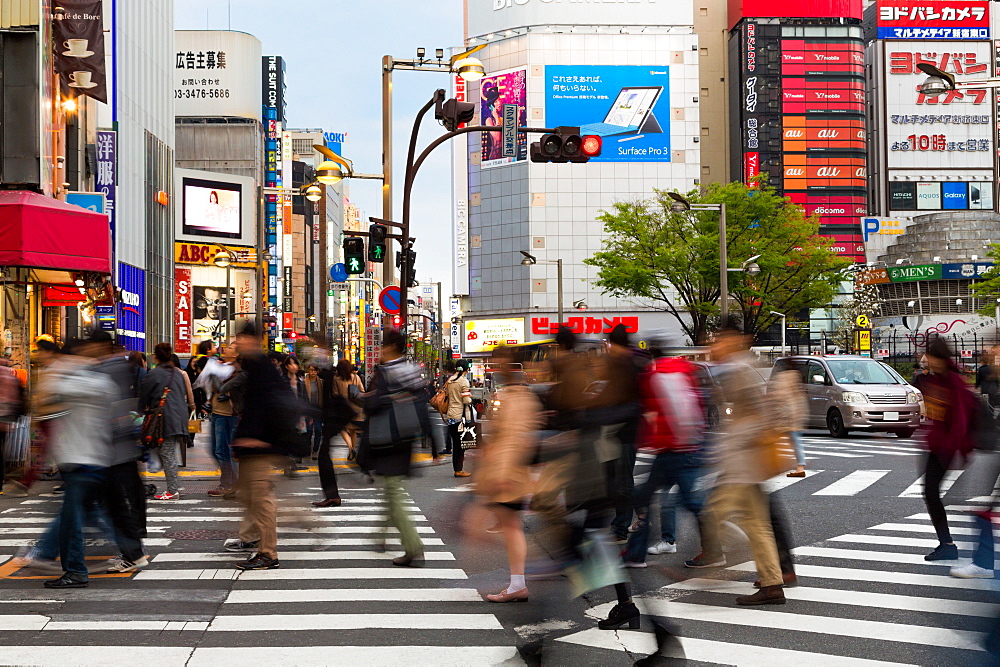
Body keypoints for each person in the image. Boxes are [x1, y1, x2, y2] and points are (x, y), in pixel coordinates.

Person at [695, 324, 785, 605]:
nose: (715, 345)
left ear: (733, 340)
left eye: (719, 339)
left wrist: (731, 446)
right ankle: (772, 584)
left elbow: (758, 415)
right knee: (757, 524)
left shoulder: (740, 370)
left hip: (743, 464)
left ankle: (715, 565)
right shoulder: (742, 368)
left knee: (713, 512)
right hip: (746, 463)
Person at [35, 339, 117, 588]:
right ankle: (130, 549)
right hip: (96, 459)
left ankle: (76, 570)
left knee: (71, 520)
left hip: (79, 460)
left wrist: (60, 368)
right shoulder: (103, 382)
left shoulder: (74, 383)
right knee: (88, 512)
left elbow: (42, 399)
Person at [623, 331, 709, 568]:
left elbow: (667, 410)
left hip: (673, 449)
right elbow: (697, 402)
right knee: (686, 501)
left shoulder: (654, 375)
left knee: (649, 498)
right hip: (689, 446)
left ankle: (637, 553)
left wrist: (648, 441)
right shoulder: (683, 368)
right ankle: (713, 547)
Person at [223, 326, 301, 570]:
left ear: (250, 340)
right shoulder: (253, 365)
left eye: (239, 339)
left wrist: (256, 438)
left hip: (259, 444)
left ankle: (268, 553)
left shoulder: (260, 367)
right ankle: (266, 534)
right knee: (248, 496)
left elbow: (266, 406)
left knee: (261, 499)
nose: (236, 344)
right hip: (252, 443)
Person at [357, 328, 428, 566]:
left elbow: (374, 405)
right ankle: (380, 535)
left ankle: (413, 546)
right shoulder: (412, 371)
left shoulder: (386, 373)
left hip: (387, 441)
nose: (380, 351)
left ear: (390, 348)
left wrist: (364, 398)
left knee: (394, 496)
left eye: (383, 347)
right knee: (391, 491)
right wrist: (434, 444)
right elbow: (423, 407)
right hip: (406, 440)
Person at [477, 346, 542, 602]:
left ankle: (522, 581)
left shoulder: (516, 398)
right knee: (507, 526)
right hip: (510, 471)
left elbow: (514, 440)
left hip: (507, 473)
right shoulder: (519, 395)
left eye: (499, 362)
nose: (496, 366)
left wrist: (500, 473)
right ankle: (520, 581)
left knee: (506, 527)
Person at [88, 331, 149, 573]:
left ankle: (133, 552)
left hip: (111, 448)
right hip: (121, 447)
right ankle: (133, 549)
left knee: (114, 505)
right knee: (120, 502)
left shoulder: (106, 370)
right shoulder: (123, 367)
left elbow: (107, 409)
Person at [921, 336, 976, 561]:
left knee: (931, 493)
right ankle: (946, 543)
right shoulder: (935, 379)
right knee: (931, 493)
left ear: (939, 357)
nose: (927, 360)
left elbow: (961, 420)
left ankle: (947, 544)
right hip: (936, 445)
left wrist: (958, 450)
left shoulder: (954, 382)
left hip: (945, 447)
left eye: (930, 356)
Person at [139, 343, 196, 500]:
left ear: (155, 356)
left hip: (164, 419)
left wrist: (141, 410)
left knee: (167, 453)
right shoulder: (178, 373)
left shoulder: (154, 373)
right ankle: (175, 485)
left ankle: (173, 490)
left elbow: (144, 396)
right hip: (178, 417)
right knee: (168, 452)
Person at [206, 343, 241, 496]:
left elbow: (222, 388)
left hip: (228, 414)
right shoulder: (223, 366)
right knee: (216, 450)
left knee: (224, 451)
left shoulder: (236, 370)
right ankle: (230, 483)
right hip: (218, 412)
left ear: (236, 355)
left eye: (230, 348)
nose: (225, 349)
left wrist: (214, 372)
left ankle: (229, 484)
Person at [770, 369, 808, 477]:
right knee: (796, 442)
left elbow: (781, 401)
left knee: (773, 441)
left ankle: (775, 465)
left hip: (788, 419)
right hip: (794, 419)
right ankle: (799, 466)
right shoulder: (796, 385)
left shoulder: (784, 381)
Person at [443, 360, 473, 477]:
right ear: (466, 369)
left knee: (456, 443)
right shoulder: (463, 381)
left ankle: (457, 468)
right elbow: (466, 400)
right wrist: (470, 398)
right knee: (461, 445)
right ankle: (459, 469)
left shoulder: (450, 380)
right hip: (460, 416)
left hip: (450, 415)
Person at [332, 359, 365, 460]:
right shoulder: (356, 377)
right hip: (356, 407)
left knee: (342, 428)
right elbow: (362, 391)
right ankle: (352, 450)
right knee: (353, 430)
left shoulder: (336, 379)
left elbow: (335, 394)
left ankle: (350, 448)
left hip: (343, 407)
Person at [304, 364, 324, 459]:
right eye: (311, 370)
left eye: (315, 370)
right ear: (308, 370)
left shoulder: (320, 382)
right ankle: (307, 448)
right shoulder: (304, 382)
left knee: (318, 430)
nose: (313, 372)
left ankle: (315, 450)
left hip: (318, 410)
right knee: (308, 431)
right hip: (308, 410)